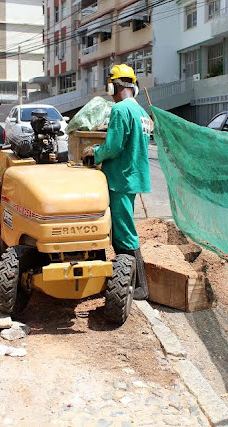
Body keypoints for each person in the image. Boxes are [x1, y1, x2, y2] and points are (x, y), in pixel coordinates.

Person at [82, 64, 151, 300]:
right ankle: (133, 280)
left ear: (113, 86)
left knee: (124, 232)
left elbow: (113, 146)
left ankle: (139, 286)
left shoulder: (121, 110)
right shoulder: (141, 112)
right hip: (132, 176)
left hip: (120, 178)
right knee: (124, 228)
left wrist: (94, 153)